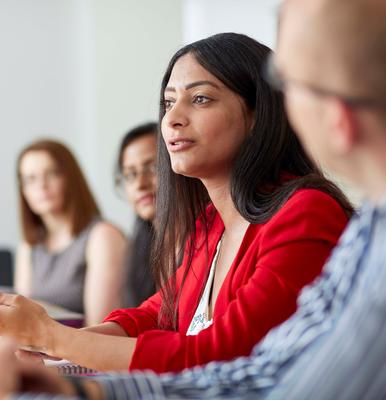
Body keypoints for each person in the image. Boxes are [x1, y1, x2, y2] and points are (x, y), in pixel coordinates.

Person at [0, 32, 350, 377]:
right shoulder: (212, 223)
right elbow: (154, 315)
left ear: (258, 115)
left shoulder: (306, 212)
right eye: (168, 103)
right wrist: (48, 347)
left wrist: (51, 336)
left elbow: (222, 355)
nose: (171, 119)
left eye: (200, 99)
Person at [14, 139, 127, 325]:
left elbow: (98, 327)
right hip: (35, 348)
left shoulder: (103, 236)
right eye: (30, 179)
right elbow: (22, 320)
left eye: (51, 174)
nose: (41, 186)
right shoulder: (29, 245)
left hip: (82, 349)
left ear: (70, 178)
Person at [114, 122, 158, 307]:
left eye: (153, 168)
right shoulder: (138, 249)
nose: (140, 184)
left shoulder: (205, 243)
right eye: (131, 174)